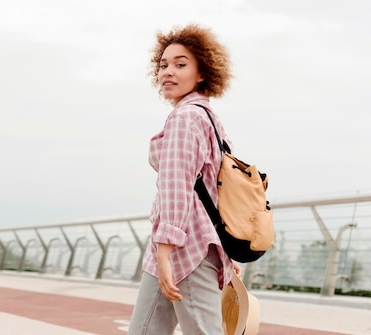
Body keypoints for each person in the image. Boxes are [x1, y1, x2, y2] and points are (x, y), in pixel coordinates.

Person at [128, 24, 240, 335]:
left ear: (202, 72)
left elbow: (176, 186)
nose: (168, 72)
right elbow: (217, 189)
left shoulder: (185, 117)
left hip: (183, 245)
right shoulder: (209, 118)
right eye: (163, 65)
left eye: (180, 64)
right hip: (190, 242)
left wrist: (166, 249)